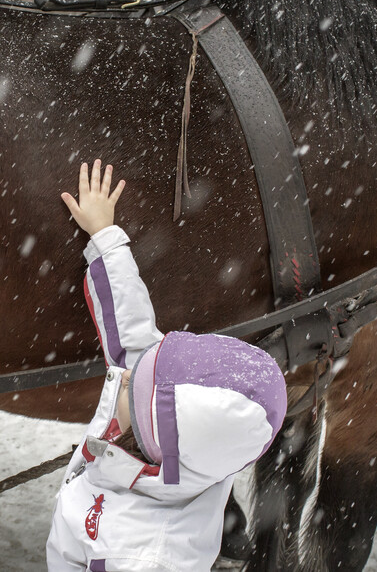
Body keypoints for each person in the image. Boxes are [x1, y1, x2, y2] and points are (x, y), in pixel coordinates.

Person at [46, 159, 288, 571]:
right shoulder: (183, 446)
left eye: (135, 387)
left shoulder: (148, 559)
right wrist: (104, 234)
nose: (123, 377)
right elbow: (135, 337)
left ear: (154, 439)